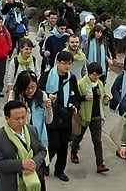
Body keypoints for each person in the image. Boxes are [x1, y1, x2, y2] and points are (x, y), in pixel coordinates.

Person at [38, 51, 82, 182]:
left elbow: (77, 96)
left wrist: (73, 104)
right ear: (57, 62)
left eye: (69, 64)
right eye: (64, 63)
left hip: (66, 115)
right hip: (52, 115)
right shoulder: (47, 76)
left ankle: (60, 170)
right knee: (53, 144)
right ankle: (45, 163)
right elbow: (39, 92)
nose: (67, 66)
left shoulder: (71, 78)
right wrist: (47, 96)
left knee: (63, 145)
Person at [0, 100, 47, 191]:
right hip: (10, 185)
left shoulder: (32, 130)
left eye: (23, 117)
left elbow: (42, 150)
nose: (21, 121)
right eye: (16, 119)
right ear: (7, 118)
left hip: (34, 180)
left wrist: (33, 163)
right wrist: (21, 164)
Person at [12, 70, 53, 191]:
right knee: (23, 178)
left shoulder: (42, 96)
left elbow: (49, 121)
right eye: (27, 88)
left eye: (33, 87)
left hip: (39, 142)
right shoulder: (15, 96)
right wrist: (18, 102)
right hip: (21, 143)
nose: (30, 90)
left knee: (39, 178)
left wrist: (49, 108)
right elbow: (11, 122)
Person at [71, 62, 110, 173]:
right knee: (78, 136)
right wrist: (84, 98)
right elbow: (75, 98)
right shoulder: (82, 83)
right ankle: (74, 152)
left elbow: (103, 96)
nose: (96, 77)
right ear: (89, 73)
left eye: (98, 75)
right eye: (94, 74)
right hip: (84, 115)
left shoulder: (100, 83)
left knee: (97, 140)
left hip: (97, 115)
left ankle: (100, 164)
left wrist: (105, 99)